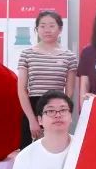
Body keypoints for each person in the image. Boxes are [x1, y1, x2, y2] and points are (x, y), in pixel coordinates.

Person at [16, 11, 77, 149]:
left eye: (51, 26)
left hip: (56, 108)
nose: (47, 30)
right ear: (37, 29)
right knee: (29, 151)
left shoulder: (69, 56)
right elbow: (21, 90)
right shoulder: (27, 54)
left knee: (55, 149)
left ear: (60, 29)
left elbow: (69, 91)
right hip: (32, 107)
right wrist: (32, 119)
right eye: (42, 26)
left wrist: (62, 114)